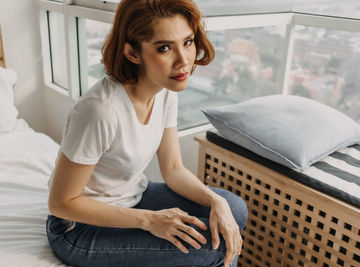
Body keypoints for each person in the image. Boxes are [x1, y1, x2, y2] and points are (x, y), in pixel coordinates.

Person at [46, 0, 248, 266]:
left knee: (233, 209)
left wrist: (215, 201)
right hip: (78, 228)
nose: (184, 60)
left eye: (187, 42)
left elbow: (173, 168)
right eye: (164, 48)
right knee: (215, 250)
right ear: (132, 53)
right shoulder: (100, 111)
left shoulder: (164, 90)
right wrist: (150, 221)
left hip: (133, 197)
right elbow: (61, 203)